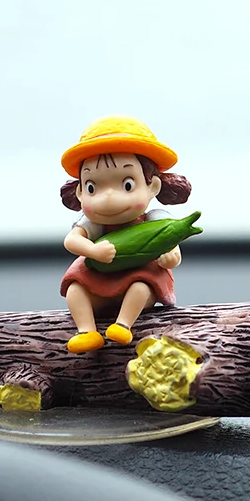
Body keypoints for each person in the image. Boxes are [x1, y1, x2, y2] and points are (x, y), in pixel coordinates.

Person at [59, 115, 192, 354]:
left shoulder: (155, 219)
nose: (108, 197)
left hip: (140, 274)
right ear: (80, 192)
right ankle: (87, 331)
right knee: (75, 290)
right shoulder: (92, 223)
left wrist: (171, 256)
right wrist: (92, 250)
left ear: (152, 186)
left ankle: (123, 325)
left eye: (127, 185)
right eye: (92, 188)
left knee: (140, 288)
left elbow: (171, 241)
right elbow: (71, 240)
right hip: (98, 278)